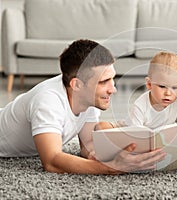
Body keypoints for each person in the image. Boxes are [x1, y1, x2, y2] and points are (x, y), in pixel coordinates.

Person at [0, 39, 166, 174]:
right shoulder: (48, 101)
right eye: (104, 82)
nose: (113, 89)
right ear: (76, 85)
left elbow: (88, 145)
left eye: (112, 79)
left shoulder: (89, 96)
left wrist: (130, 153)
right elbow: (51, 161)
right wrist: (109, 168)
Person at [123, 51, 177, 129]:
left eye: (174, 88)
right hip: (131, 125)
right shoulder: (139, 107)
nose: (168, 93)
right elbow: (135, 133)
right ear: (149, 84)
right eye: (162, 86)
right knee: (122, 126)